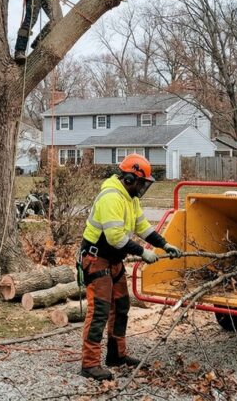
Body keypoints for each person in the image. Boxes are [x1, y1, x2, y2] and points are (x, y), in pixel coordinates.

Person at [78, 153, 181, 381]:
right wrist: (143, 252)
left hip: (114, 260)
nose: (142, 187)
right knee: (100, 311)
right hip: (98, 259)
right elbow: (115, 237)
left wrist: (163, 244)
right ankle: (90, 364)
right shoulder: (111, 197)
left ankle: (116, 355)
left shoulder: (130, 198)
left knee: (122, 306)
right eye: (141, 183)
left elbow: (142, 226)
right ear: (129, 179)